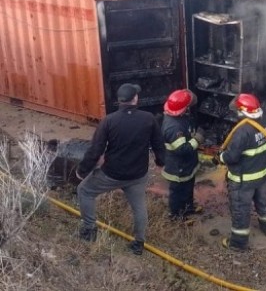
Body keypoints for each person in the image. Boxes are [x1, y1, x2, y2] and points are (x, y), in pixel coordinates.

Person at [76, 83, 165, 256]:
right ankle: (139, 243)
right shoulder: (148, 118)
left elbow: (95, 150)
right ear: (135, 99)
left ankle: (89, 230)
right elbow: (158, 145)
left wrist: (82, 170)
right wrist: (161, 162)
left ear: (119, 101)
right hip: (138, 174)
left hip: (112, 174)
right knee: (139, 207)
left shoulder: (109, 121)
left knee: (84, 191)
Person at [217, 93, 266, 251]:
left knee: (240, 209)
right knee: (264, 203)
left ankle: (238, 244)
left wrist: (221, 157)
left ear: (242, 112)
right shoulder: (265, 124)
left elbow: (232, 157)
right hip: (261, 176)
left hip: (243, 181)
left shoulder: (242, 132)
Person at [161, 89, 205, 220]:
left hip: (186, 165)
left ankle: (188, 208)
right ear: (182, 109)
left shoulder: (180, 118)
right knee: (177, 193)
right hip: (177, 168)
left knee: (188, 188)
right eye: (187, 107)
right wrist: (197, 139)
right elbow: (183, 149)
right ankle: (176, 216)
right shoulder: (173, 128)